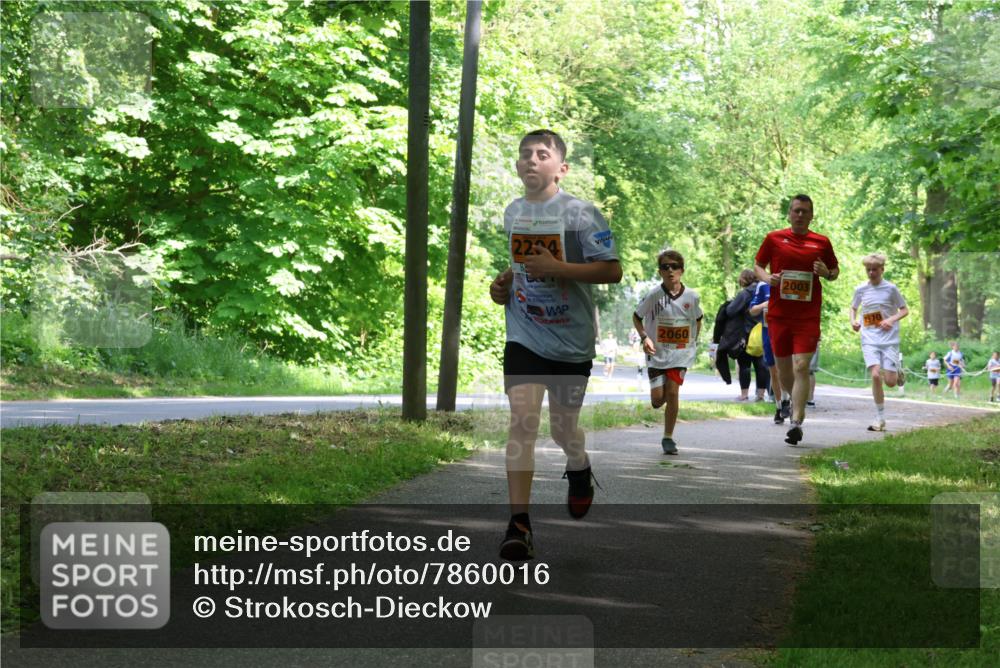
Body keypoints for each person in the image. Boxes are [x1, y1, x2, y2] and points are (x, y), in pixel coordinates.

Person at [489, 129, 622, 561]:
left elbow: (612, 270)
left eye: (542, 154)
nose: (531, 159)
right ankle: (519, 524)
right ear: (517, 165)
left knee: (563, 430)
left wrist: (559, 268)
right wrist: (502, 286)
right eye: (525, 153)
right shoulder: (513, 212)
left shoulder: (581, 214)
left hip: (570, 341)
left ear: (561, 168)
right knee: (522, 422)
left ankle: (578, 465)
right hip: (524, 334)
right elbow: (520, 269)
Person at [754, 194, 839, 445]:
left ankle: (796, 421)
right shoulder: (774, 238)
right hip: (779, 315)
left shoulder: (821, 242)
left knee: (801, 366)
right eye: (796, 210)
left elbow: (835, 271)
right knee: (783, 370)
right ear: (789, 214)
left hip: (807, 316)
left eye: (805, 211)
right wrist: (767, 278)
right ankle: (792, 400)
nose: (800, 215)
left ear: (811, 215)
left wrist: (826, 272)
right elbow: (758, 265)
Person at [632, 249, 703, 455]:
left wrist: (692, 341)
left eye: (675, 266)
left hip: (680, 353)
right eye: (665, 267)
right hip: (657, 353)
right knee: (657, 400)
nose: (670, 270)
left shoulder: (691, 296)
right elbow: (637, 317)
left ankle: (668, 437)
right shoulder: (654, 295)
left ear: (682, 270)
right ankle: (659, 398)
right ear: (660, 272)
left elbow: (698, 320)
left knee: (673, 393)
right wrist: (645, 337)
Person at [849, 253, 909, 431]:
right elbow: (853, 308)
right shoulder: (861, 289)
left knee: (890, 382)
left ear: (882, 270)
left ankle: (898, 370)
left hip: (889, 339)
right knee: (875, 375)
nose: (871, 273)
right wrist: (853, 321)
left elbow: (904, 310)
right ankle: (880, 417)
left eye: (874, 269)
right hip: (869, 338)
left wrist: (890, 320)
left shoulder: (891, 289)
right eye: (868, 270)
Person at [749, 278, 789, 423]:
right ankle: (779, 407)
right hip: (768, 333)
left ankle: (786, 400)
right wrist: (764, 305)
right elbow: (752, 310)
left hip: (785, 332)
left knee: (785, 370)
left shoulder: (789, 281)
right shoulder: (763, 285)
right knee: (774, 371)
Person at [726, 269, 769, 401]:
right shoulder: (764, 290)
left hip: (746, 333)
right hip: (762, 331)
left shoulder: (745, 293)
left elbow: (730, 310)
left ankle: (744, 394)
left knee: (745, 365)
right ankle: (760, 395)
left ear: (744, 279)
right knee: (761, 365)